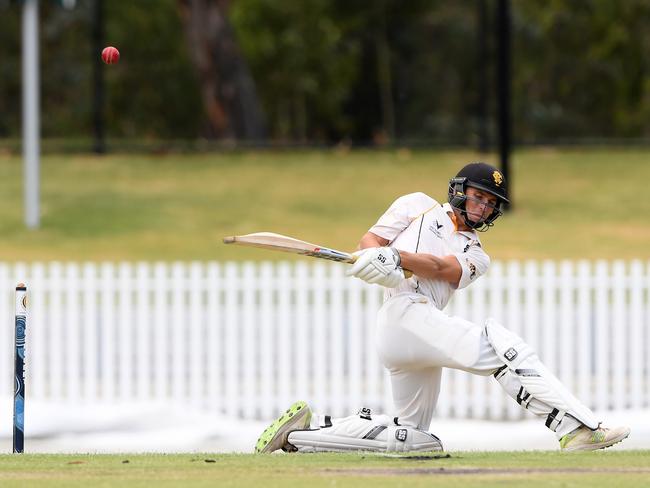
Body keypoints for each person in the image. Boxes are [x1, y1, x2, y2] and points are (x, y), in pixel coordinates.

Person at [255, 162, 631, 454]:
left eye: (490, 203)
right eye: (478, 197)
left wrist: (397, 257)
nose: (483, 207)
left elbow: (441, 269)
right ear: (460, 191)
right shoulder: (415, 205)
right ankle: (576, 428)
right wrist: (376, 259)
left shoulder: (476, 254)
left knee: (412, 438)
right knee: (502, 347)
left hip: (417, 328)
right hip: (402, 315)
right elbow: (370, 239)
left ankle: (301, 437)